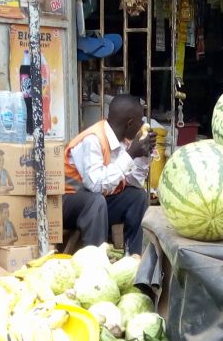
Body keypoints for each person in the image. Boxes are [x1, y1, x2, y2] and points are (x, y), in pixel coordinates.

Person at [62, 94, 154, 257]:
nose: (141, 125)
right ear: (129, 123)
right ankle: (97, 260)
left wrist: (144, 156)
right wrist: (131, 155)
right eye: (140, 121)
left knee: (138, 196)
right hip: (67, 202)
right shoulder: (93, 139)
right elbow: (95, 185)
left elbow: (133, 181)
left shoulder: (124, 141)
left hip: (98, 204)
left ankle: (135, 257)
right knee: (95, 201)